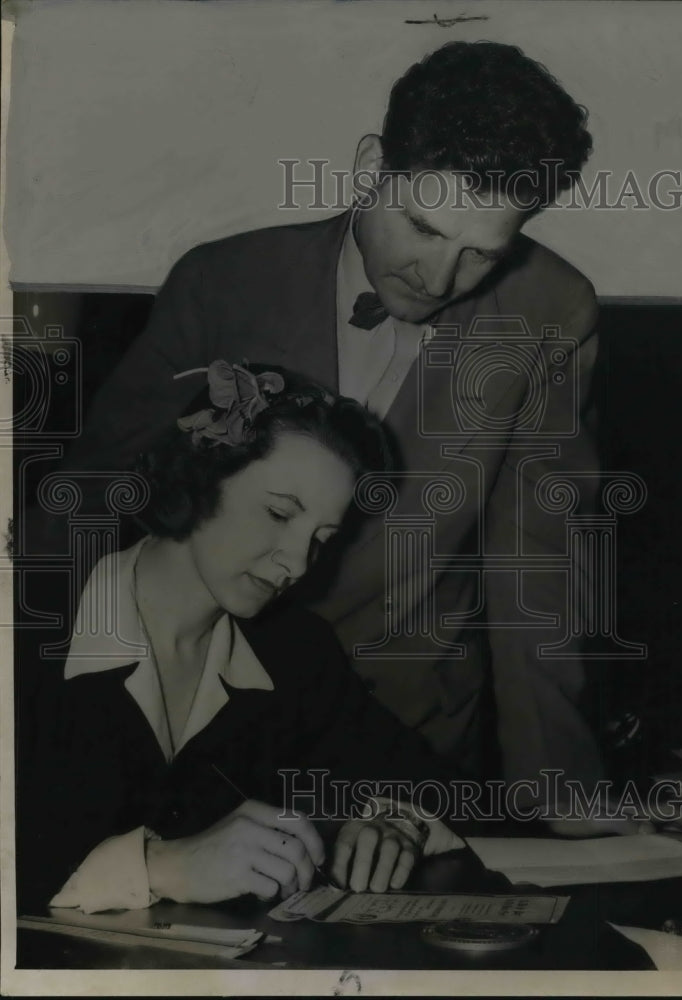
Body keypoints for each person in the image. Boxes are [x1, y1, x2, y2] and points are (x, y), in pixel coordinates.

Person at [29, 41, 602, 797]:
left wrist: (559, 787)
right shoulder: (223, 282)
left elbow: (538, 566)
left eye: (479, 255)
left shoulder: (551, 310)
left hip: (410, 735)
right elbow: (92, 499)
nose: (436, 279)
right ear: (370, 166)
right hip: (207, 719)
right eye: (423, 228)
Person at [16, 362, 465, 916]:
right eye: (279, 513)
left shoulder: (295, 652)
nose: (298, 563)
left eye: (322, 539)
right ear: (201, 476)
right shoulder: (27, 627)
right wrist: (163, 866)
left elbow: (422, 779)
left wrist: (394, 822)